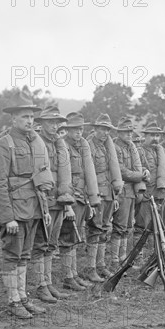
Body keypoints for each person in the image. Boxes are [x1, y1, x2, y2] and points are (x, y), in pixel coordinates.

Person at [0, 89, 52, 319]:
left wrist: (44, 209)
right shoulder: (3, 144)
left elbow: (42, 178)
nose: (30, 121)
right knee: (12, 256)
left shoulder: (36, 142)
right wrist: (7, 217)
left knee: (25, 255)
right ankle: (13, 300)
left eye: (32, 117)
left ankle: (22, 296)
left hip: (33, 209)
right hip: (15, 211)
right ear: (13, 118)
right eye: (24, 117)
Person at [30, 106, 74, 302]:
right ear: (41, 124)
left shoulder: (58, 143)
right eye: (50, 122)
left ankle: (47, 284)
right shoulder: (36, 143)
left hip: (58, 199)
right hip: (43, 199)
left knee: (51, 243)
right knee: (40, 243)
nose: (55, 126)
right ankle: (40, 286)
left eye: (57, 123)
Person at [59, 112, 101, 289]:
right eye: (75, 129)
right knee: (68, 236)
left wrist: (91, 200)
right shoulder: (63, 145)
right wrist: (67, 204)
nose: (78, 132)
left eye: (81, 128)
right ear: (67, 130)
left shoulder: (83, 146)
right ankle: (68, 277)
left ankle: (74, 274)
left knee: (77, 237)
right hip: (71, 196)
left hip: (82, 196)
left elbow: (89, 174)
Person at [86, 113, 123, 279]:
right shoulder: (88, 146)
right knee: (95, 229)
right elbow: (87, 173)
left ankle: (100, 265)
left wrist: (114, 196)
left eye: (107, 130)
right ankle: (90, 268)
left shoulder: (108, 146)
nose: (105, 132)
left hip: (109, 194)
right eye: (102, 129)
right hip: (97, 194)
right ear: (95, 129)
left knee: (105, 229)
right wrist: (90, 197)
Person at [111, 117, 146, 269]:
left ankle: (123, 259)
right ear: (119, 132)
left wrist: (142, 172)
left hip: (131, 191)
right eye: (125, 132)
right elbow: (122, 171)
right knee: (119, 226)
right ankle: (114, 261)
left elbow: (137, 167)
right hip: (121, 191)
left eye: (130, 132)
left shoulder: (131, 147)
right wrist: (141, 176)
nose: (129, 135)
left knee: (127, 227)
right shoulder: (115, 147)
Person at [134, 122, 165, 242]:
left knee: (157, 224)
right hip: (146, 193)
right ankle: (138, 256)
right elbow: (135, 168)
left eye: (157, 136)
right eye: (152, 135)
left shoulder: (160, 151)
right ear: (145, 136)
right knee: (141, 224)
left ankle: (153, 252)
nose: (155, 138)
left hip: (159, 193)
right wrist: (143, 171)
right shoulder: (138, 150)